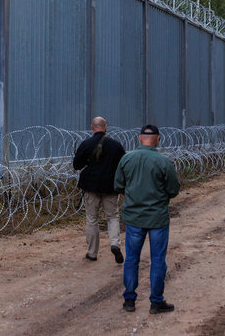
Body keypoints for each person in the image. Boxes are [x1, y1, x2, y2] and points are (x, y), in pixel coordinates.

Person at [114, 124, 180, 314]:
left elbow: (118, 185)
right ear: (158, 139)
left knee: (131, 259)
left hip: (134, 218)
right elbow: (173, 190)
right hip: (157, 219)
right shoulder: (164, 162)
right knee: (158, 260)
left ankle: (129, 300)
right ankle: (156, 302)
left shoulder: (126, 159)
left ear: (139, 138)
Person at [73, 116, 127, 263]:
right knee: (113, 216)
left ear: (92, 127)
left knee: (92, 219)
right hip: (110, 187)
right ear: (106, 127)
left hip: (90, 186)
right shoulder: (116, 146)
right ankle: (115, 244)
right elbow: (124, 165)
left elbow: (76, 164)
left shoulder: (86, 144)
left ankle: (92, 253)